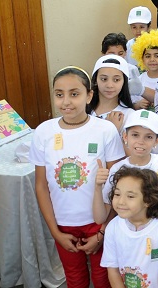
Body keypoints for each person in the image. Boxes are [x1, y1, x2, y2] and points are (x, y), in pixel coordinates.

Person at [30, 66, 125, 288]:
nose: (66, 101)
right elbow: (41, 186)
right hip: (63, 225)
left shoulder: (105, 130)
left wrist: (102, 232)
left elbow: (117, 186)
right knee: (74, 279)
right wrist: (56, 232)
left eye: (74, 94)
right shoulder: (43, 132)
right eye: (59, 94)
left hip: (99, 222)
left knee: (104, 279)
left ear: (89, 95)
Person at [93, 109, 158, 221]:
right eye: (135, 135)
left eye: (148, 137)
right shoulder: (117, 169)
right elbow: (100, 218)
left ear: (156, 141)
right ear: (125, 137)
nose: (141, 141)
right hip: (131, 230)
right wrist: (98, 186)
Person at [101, 167, 158, 288]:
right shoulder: (113, 228)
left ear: (148, 200)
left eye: (130, 196)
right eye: (117, 194)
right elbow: (112, 270)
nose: (121, 201)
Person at [89, 55, 136, 135]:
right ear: (95, 80)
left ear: (124, 82)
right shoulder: (82, 111)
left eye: (116, 80)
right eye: (104, 79)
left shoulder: (130, 116)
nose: (110, 85)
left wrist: (113, 130)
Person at [131, 29, 158, 95]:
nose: (152, 59)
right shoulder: (140, 80)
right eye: (148, 56)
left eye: (157, 56)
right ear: (142, 59)